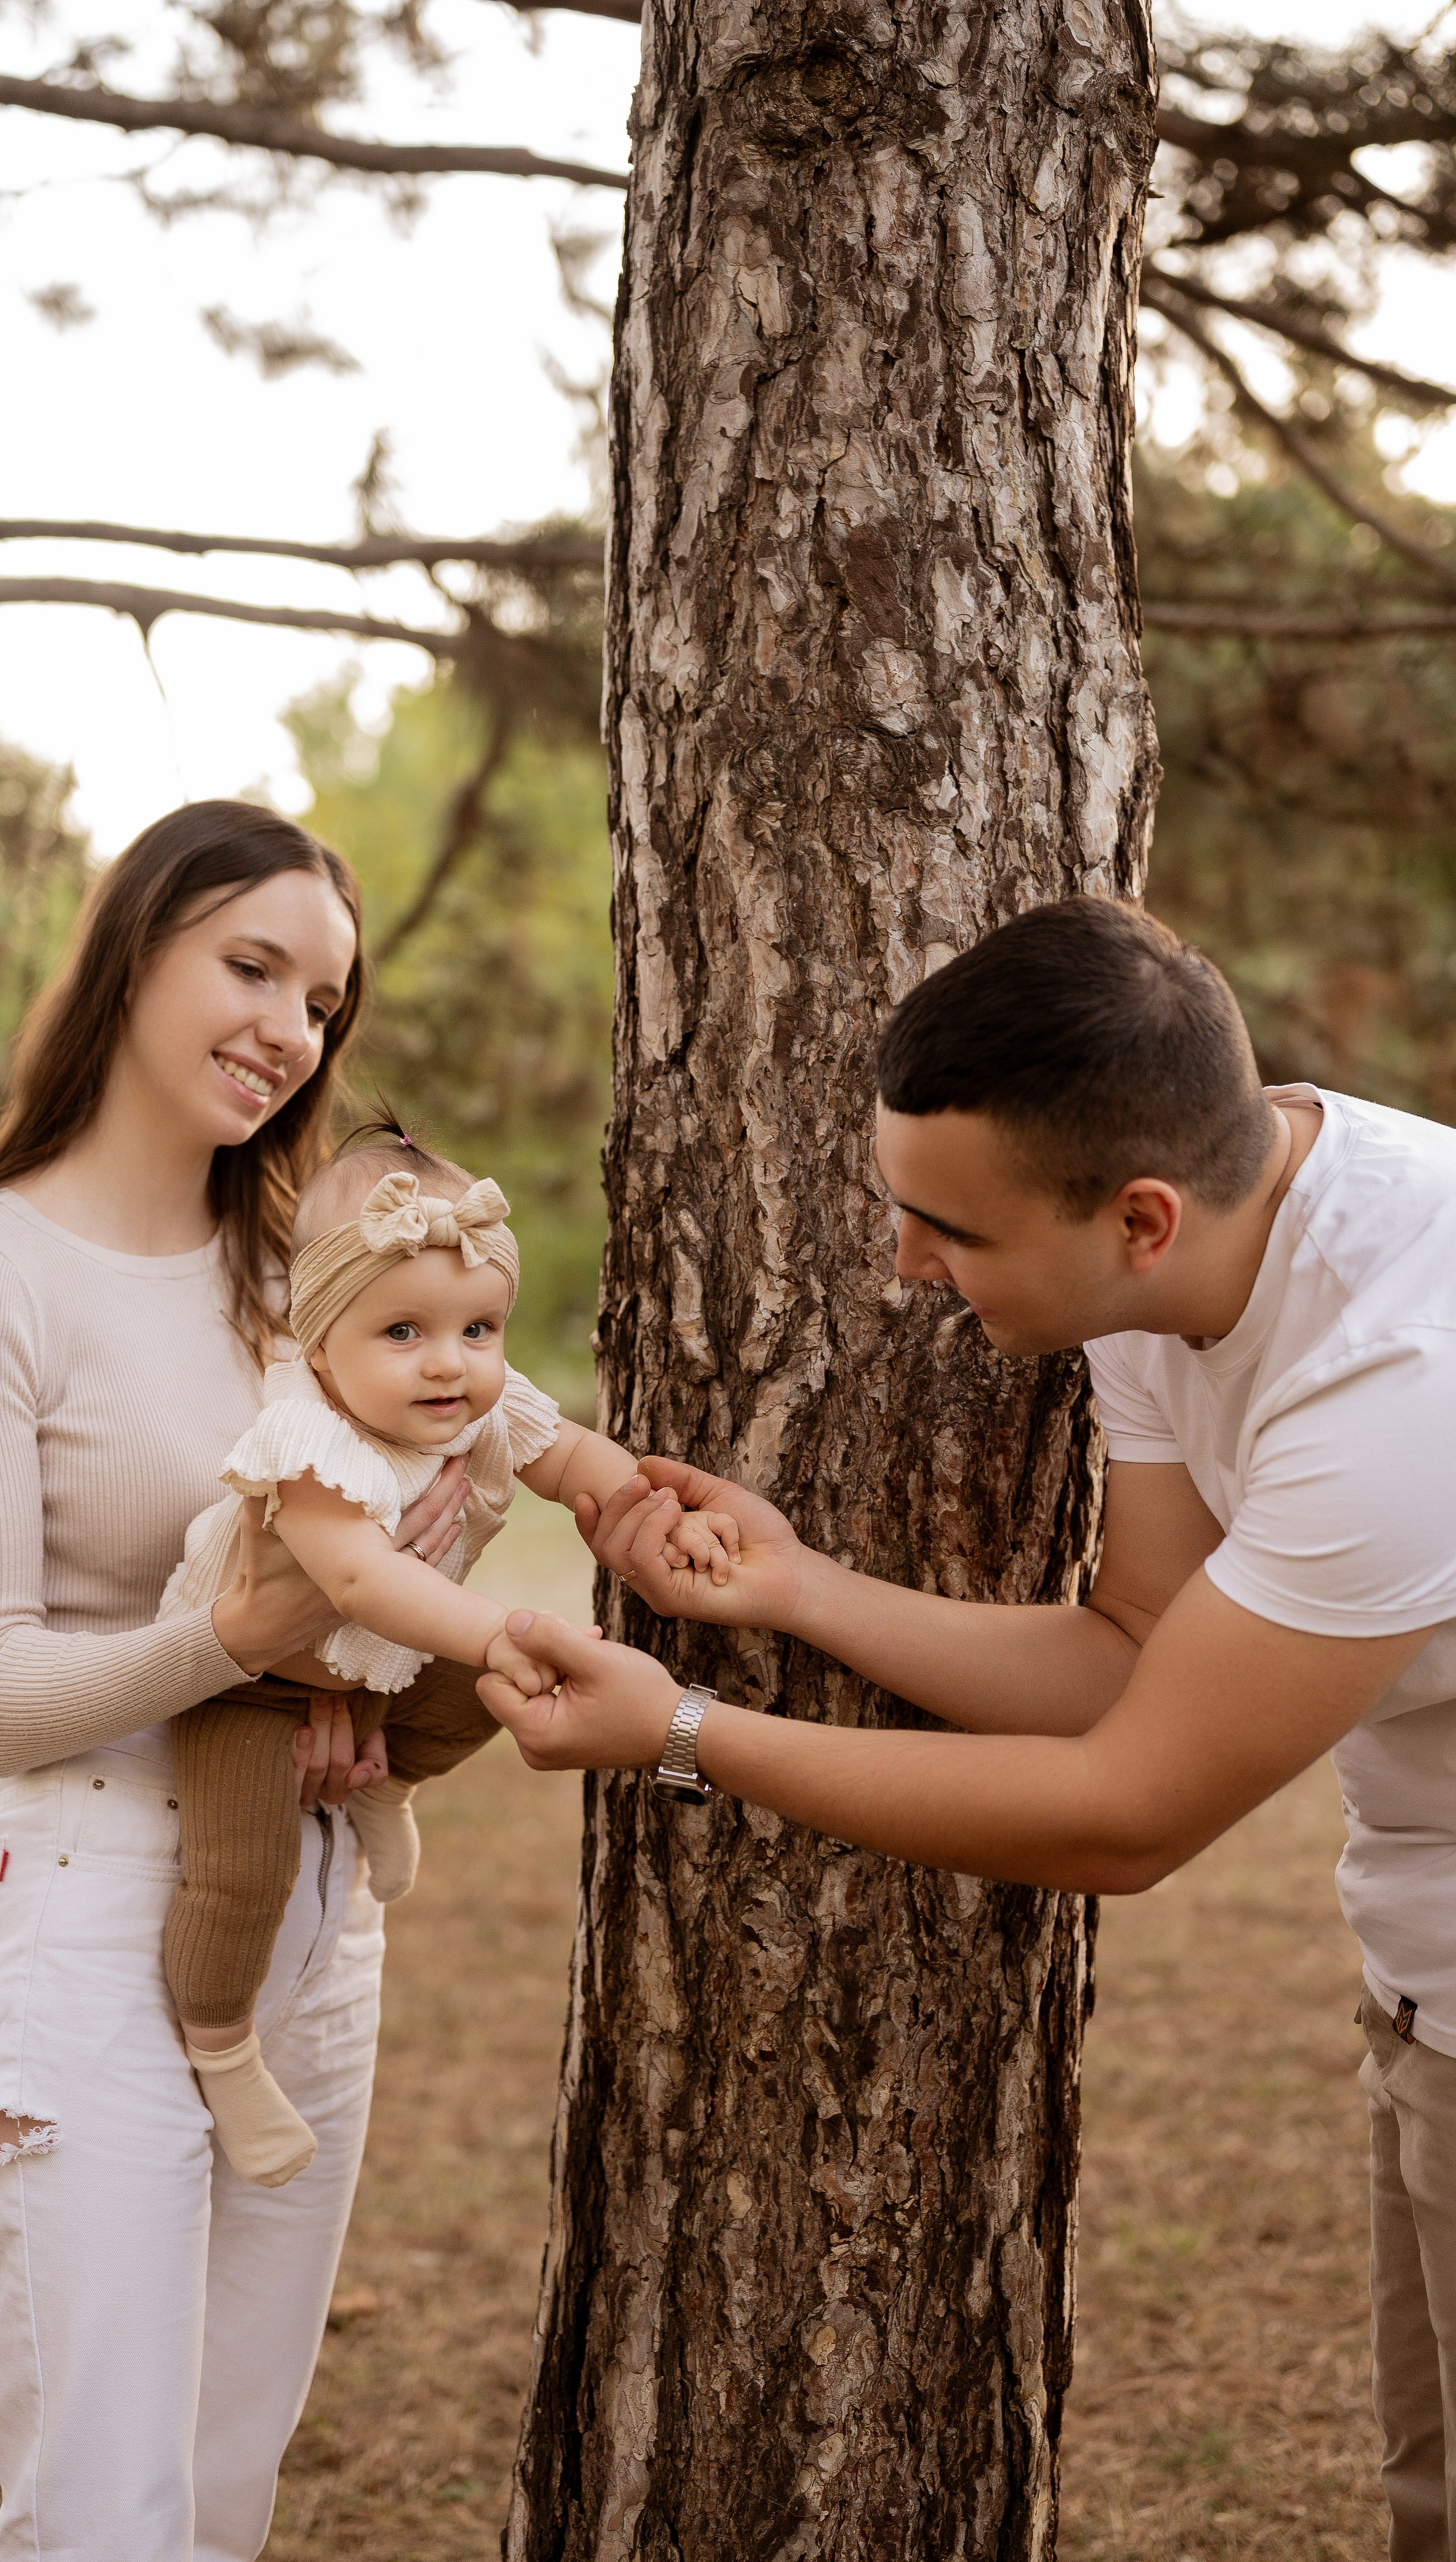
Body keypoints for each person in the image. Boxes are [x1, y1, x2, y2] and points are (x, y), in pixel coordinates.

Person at [477, 897, 1456, 2562]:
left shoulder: (1397, 1379)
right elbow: (1126, 1653)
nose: (902, 1265)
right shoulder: (1184, 1253)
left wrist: (681, 1731)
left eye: (951, 1231)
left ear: (1136, 1217)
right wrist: (794, 1590)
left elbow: (1122, 1813)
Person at [0, 801, 476, 2562]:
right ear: (134, 948)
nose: (290, 1028)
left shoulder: (302, 1276)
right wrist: (239, 1641)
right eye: (252, 965)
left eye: (322, 1001)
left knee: (220, 2501)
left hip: (312, 1930)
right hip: (89, 1917)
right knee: (106, 2519)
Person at [155, 1127, 737, 2186]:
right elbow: (363, 1583)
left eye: (479, 1328)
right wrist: (495, 1632)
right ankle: (223, 2048)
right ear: (322, 1345)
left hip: (374, 1669)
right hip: (242, 1688)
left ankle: (389, 1779)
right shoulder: (310, 1444)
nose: (449, 1361)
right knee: (243, 1872)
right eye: (406, 1331)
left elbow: (568, 1456)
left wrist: (649, 1510)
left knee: (500, 1694)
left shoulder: (476, 1404)